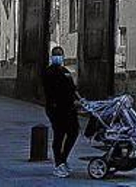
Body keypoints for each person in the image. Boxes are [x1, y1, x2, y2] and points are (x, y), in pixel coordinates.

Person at [40, 45, 81, 178]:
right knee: (59, 134)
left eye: (60, 54)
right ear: (52, 57)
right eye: (56, 54)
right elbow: (53, 91)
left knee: (74, 131)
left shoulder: (65, 71)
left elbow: (73, 89)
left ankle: (63, 159)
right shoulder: (49, 72)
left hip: (69, 108)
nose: (58, 57)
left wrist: (80, 100)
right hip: (56, 108)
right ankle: (59, 163)